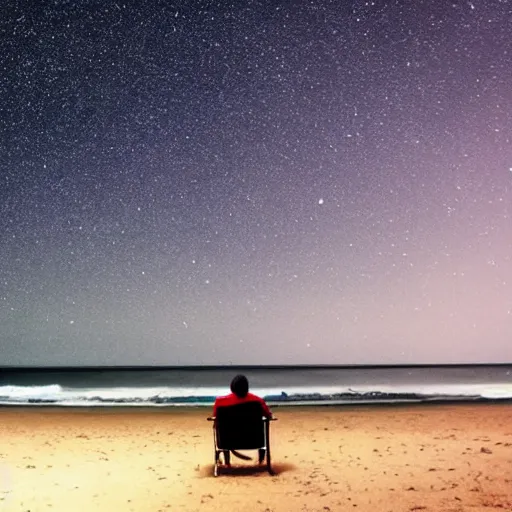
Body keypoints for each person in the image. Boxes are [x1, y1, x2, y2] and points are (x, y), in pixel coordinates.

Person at [213, 374, 272, 466]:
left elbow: (215, 418)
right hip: (254, 440)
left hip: (227, 441)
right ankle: (261, 462)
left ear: (232, 387)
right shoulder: (258, 401)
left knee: (221, 427)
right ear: (247, 387)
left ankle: (227, 462)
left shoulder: (220, 402)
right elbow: (268, 416)